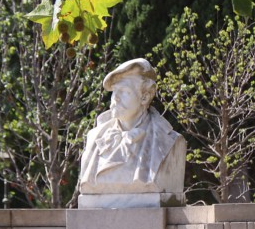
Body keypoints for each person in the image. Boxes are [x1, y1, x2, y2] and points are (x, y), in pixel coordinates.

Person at [79, 58, 186, 195]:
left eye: (124, 91)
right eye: (114, 91)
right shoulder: (94, 137)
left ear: (145, 97)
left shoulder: (170, 142)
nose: (115, 98)